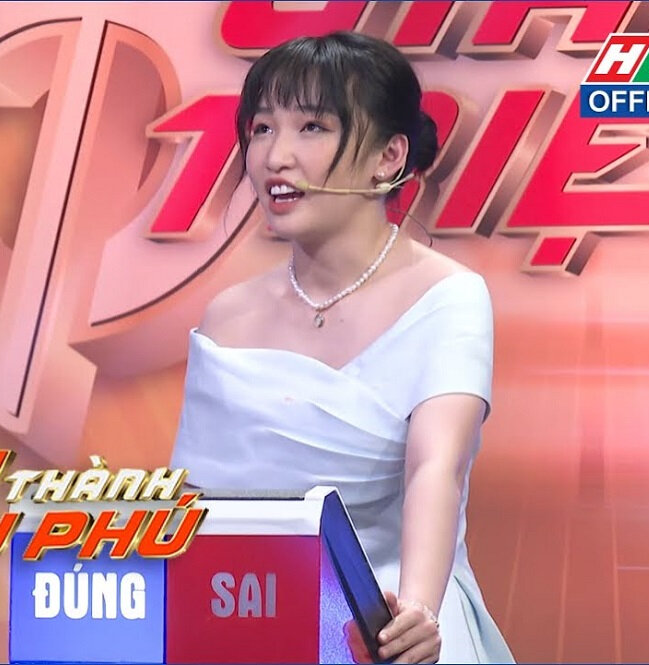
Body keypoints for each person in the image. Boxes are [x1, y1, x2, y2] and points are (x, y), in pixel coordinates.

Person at [169, 31, 514, 664]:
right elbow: (192, 504)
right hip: (252, 613)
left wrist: (415, 612)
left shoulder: (449, 297)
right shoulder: (228, 316)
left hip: (390, 611)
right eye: (262, 128)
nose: (276, 157)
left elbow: (436, 467)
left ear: (388, 157)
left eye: (312, 127)